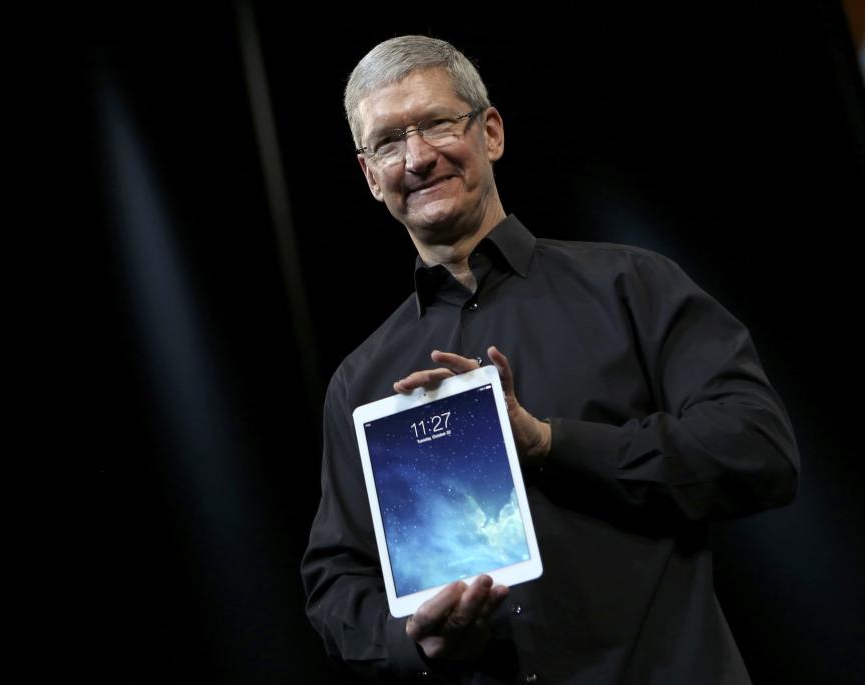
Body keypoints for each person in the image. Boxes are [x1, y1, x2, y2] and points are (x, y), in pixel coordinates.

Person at [301, 35, 799, 684]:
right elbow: (335, 582)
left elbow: (759, 449)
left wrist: (549, 443)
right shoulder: (361, 382)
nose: (418, 158)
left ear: (492, 132)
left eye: (437, 124)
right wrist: (413, 639)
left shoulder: (632, 286)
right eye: (389, 142)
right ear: (371, 176)